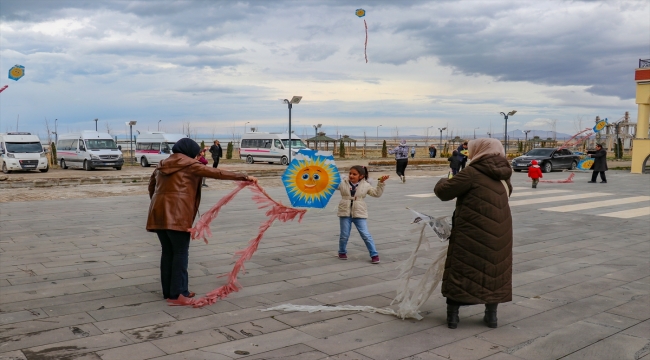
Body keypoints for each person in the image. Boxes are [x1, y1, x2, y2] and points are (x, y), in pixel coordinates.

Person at [146, 138, 257, 300]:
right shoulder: (189, 165)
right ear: (189, 151)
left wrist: (159, 205)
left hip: (158, 214)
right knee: (180, 252)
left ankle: (168, 291)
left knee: (168, 252)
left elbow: (151, 186)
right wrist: (244, 176)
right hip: (178, 216)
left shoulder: (162, 164)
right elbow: (217, 173)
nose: (197, 156)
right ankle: (178, 292)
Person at [434, 138, 513, 329]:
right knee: (494, 270)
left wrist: (444, 180)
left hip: (472, 230)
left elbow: (444, 192)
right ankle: (491, 316)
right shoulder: (504, 174)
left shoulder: (472, 172)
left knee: (461, 268)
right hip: (500, 230)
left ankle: (453, 317)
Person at [337, 165, 389, 264]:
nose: (351, 176)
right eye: (350, 173)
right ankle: (342, 251)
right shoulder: (343, 183)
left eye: (354, 174)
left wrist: (381, 183)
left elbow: (376, 194)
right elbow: (331, 185)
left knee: (365, 234)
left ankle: (374, 254)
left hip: (359, 212)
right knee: (344, 235)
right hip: (345, 211)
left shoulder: (366, 185)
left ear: (361, 176)